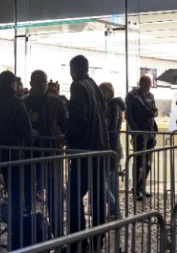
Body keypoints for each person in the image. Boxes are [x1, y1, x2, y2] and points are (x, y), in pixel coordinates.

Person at [0, 70, 35, 250]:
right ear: (12, 84)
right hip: (12, 155)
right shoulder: (16, 102)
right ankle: (16, 240)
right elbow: (25, 130)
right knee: (16, 197)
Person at [66, 55, 109, 250]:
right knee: (98, 195)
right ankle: (98, 238)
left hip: (84, 150)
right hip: (99, 149)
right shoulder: (95, 86)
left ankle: (78, 240)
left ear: (73, 70)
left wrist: (67, 136)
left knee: (74, 195)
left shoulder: (78, 86)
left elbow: (78, 118)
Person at [125, 75, 158, 200]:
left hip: (150, 131)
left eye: (150, 84)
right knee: (139, 162)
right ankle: (136, 188)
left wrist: (155, 112)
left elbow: (154, 111)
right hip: (140, 133)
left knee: (148, 163)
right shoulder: (132, 96)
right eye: (147, 83)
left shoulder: (151, 96)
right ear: (141, 83)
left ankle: (142, 187)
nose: (149, 86)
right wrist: (135, 130)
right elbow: (128, 115)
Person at [23, 69, 68, 147]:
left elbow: (64, 123)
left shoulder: (57, 102)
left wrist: (65, 136)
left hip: (52, 146)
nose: (42, 85)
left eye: (44, 82)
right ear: (31, 83)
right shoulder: (23, 103)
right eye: (38, 82)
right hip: (31, 146)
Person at [100, 82, 125, 219]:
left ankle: (114, 207)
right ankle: (115, 210)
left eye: (103, 91)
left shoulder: (113, 105)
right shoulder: (109, 105)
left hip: (112, 147)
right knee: (110, 181)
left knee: (105, 181)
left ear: (109, 92)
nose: (101, 94)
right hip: (111, 147)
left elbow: (111, 126)